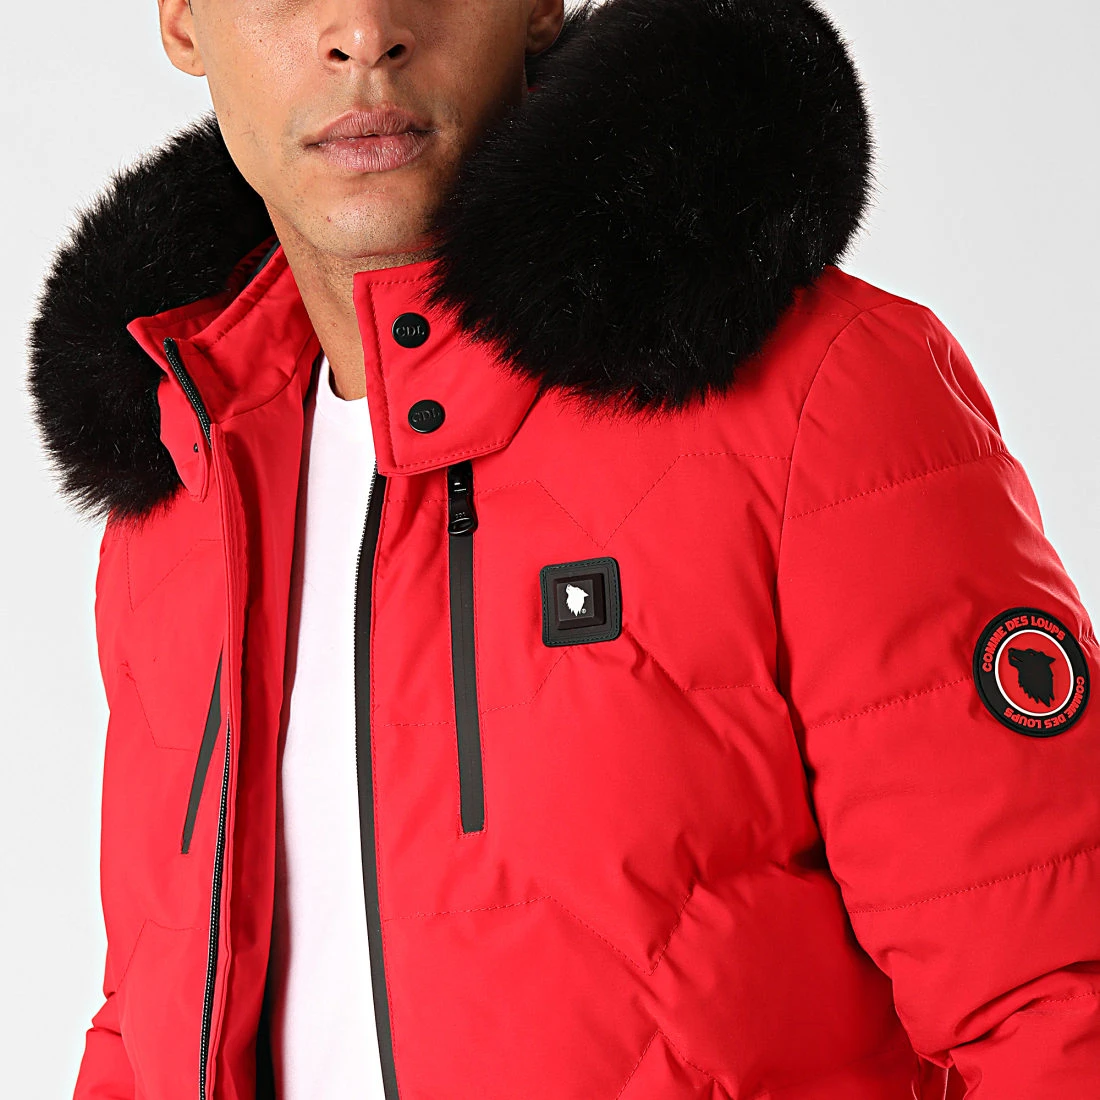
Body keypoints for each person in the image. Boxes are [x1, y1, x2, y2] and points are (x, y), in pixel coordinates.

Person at [27, 0, 1100, 1097]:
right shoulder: (187, 487)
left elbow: (1055, 1003)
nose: (363, 29)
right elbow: (145, 1024)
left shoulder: (818, 399)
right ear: (183, 23)